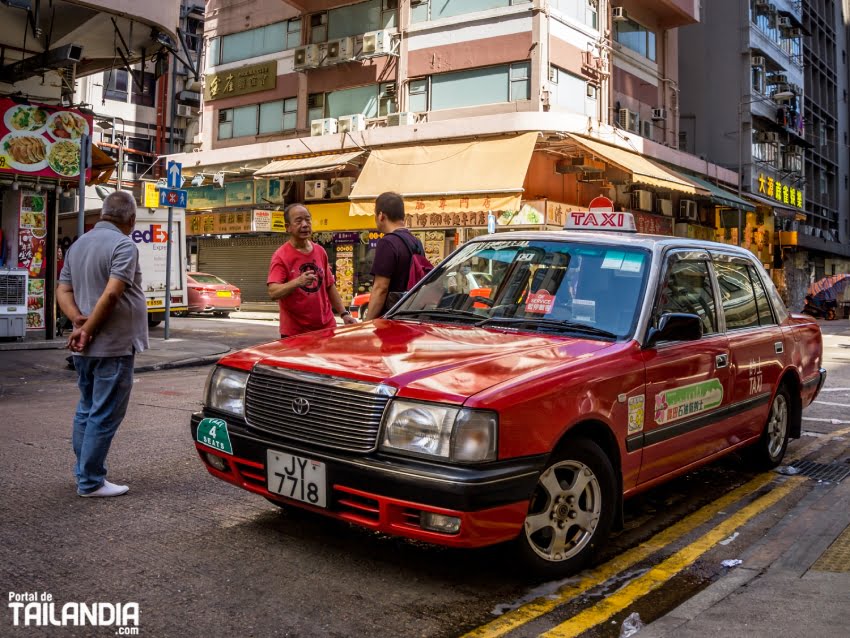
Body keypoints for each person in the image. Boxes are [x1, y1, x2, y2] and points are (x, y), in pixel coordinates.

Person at [56, 190, 148, 498]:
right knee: (104, 414)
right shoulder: (124, 245)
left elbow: (63, 290)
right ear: (131, 220)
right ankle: (91, 481)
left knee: (86, 408)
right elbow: (112, 294)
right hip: (113, 345)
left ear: (102, 214)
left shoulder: (79, 245)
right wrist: (88, 330)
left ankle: (84, 472)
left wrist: (78, 322)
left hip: (86, 347)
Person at [268, 203, 357, 337]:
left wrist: (344, 314)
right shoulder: (281, 256)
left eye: (308, 219)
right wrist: (298, 282)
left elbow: (329, 285)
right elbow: (273, 292)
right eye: (298, 221)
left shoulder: (320, 251)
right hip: (296, 333)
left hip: (326, 327)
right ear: (288, 228)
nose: (305, 224)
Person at [365, 192, 427, 320]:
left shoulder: (387, 242)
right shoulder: (416, 242)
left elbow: (380, 288)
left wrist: (367, 322)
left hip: (391, 318)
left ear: (381, 216)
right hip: (411, 316)